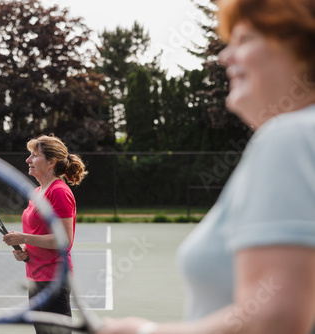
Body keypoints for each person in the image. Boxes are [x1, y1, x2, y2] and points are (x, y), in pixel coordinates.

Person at [97, 0, 315, 333]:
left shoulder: (289, 136)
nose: (225, 57)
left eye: (244, 39)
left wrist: (144, 331)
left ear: (301, 45)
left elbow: (273, 319)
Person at [2, 134, 88, 334]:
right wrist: (25, 249)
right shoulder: (38, 192)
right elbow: (40, 233)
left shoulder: (58, 192)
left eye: (34, 155)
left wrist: (23, 238)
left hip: (54, 280)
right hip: (35, 277)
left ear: (51, 162)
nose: (28, 160)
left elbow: (65, 241)